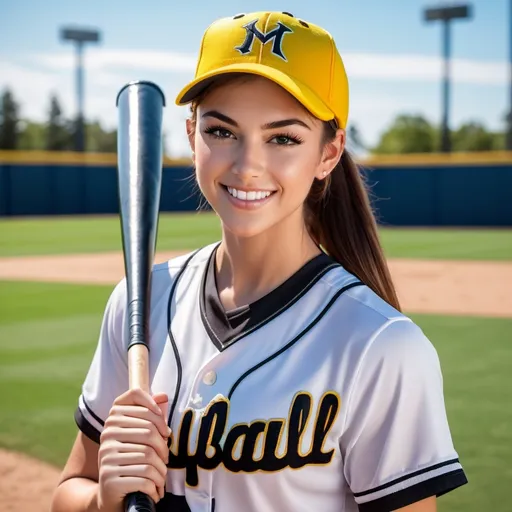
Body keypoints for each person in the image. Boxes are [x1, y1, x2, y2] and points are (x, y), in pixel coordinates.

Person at [51, 11, 467, 512]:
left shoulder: (381, 345)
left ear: (328, 153)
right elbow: (68, 492)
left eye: (283, 138)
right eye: (222, 131)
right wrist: (104, 500)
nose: (248, 165)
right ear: (191, 135)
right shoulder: (141, 299)